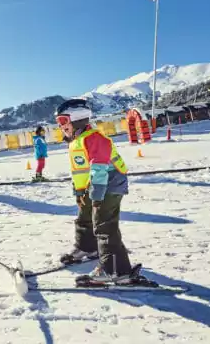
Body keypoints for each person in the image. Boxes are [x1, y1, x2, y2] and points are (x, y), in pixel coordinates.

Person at [55, 98, 137, 285]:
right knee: (84, 216)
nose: (61, 126)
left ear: (77, 119)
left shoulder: (95, 138)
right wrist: (79, 192)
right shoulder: (76, 141)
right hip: (92, 186)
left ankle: (115, 270)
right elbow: (80, 171)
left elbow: (99, 168)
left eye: (62, 121)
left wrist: (97, 194)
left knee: (104, 225)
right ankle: (87, 247)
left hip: (109, 185)